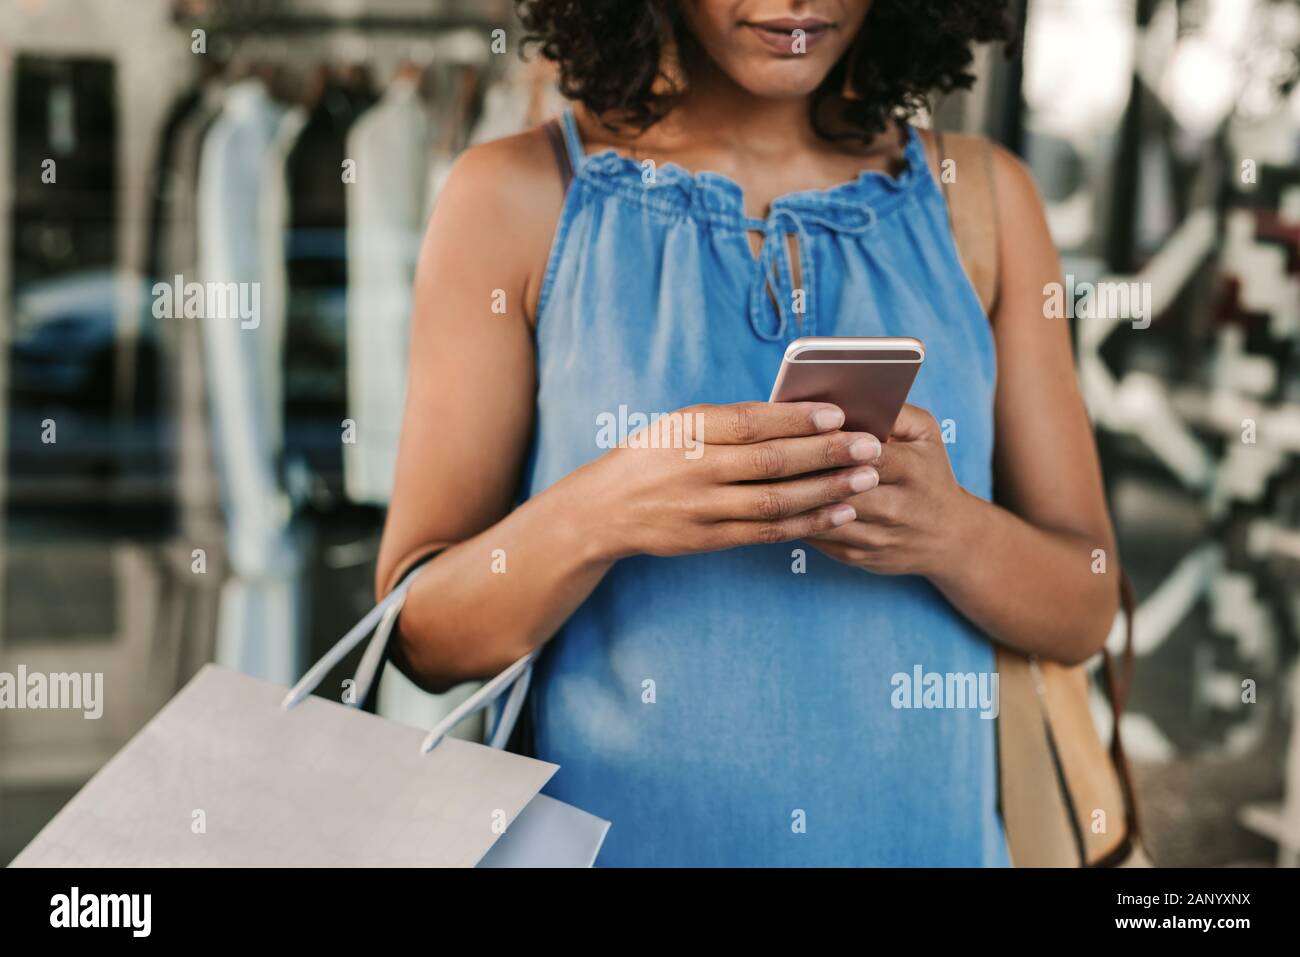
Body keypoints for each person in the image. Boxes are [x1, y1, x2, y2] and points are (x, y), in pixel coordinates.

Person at [376, 0, 1119, 866]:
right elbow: (419, 637)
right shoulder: (514, 197)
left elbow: (1087, 602)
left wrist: (953, 534)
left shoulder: (984, 203)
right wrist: (603, 511)